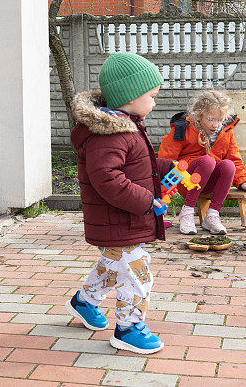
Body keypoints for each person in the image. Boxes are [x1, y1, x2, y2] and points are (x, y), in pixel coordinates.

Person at [66, 52, 172, 355]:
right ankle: (128, 328)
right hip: (119, 219)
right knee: (138, 271)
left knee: (113, 265)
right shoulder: (109, 133)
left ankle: (84, 302)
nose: (154, 102)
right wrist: (146, 202)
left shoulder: (125, 125)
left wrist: (166, 169)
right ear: (130, 97)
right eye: (151, 96)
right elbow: (107, 178)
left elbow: (137, 165)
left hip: (122, 219)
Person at [158, 89, 246, 236]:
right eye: (211, 119)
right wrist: (161, 196)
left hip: (209, 184)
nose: (216, 125)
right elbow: (165, 162)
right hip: (186, 182)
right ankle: (186, 213)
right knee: (207, 161)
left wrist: (244, 180)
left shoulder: (225, 132)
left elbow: (235, 159)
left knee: (228, 165)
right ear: (199, 116)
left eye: (219, 120)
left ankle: (212, 216)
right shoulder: (183, 128)